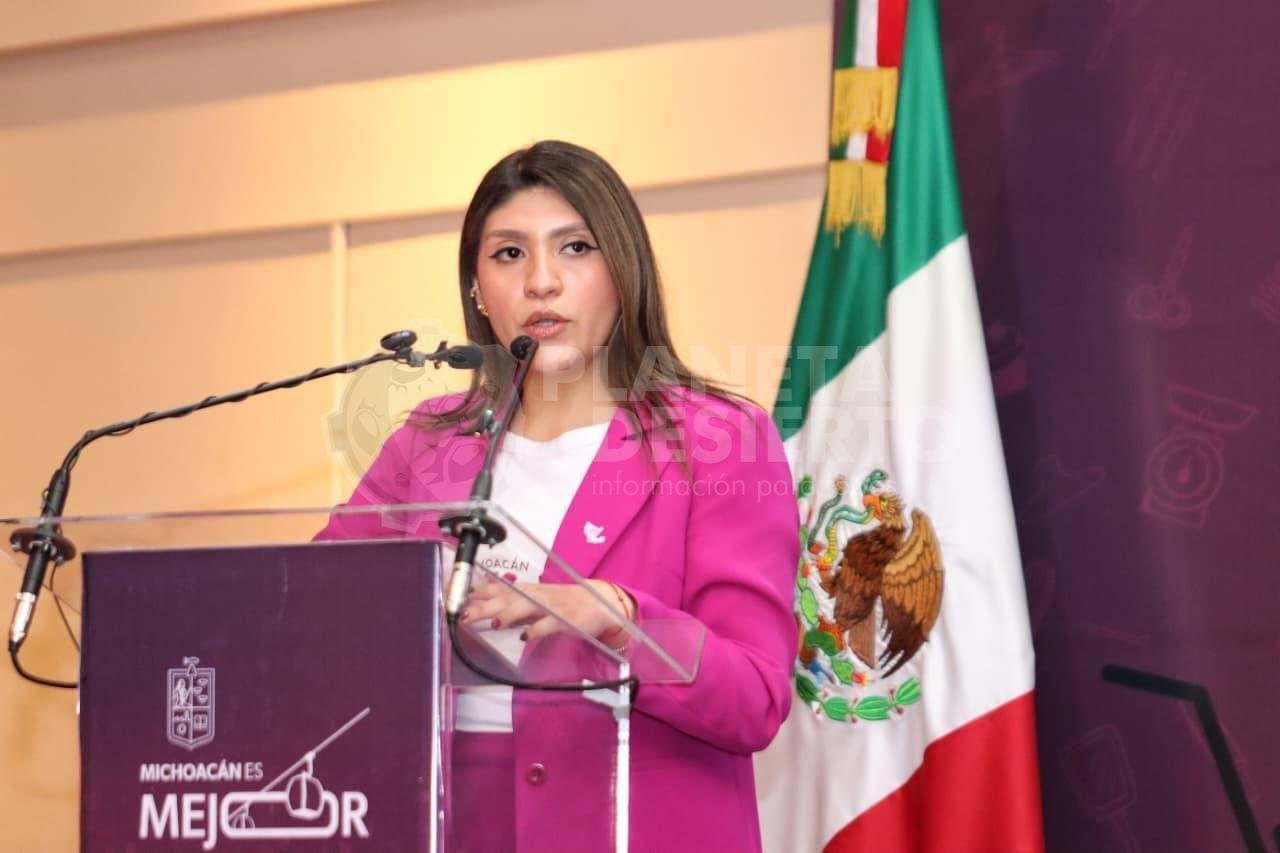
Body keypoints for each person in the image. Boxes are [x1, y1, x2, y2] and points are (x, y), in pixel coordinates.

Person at [316, 140, 799, 852]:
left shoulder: (718, 442)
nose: (541, 281)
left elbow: (755, 697)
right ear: (477, 288)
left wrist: (620, 620)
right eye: (509, 254)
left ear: (623, 273)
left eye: (575, 248)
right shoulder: (427, 442)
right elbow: (309, 616)